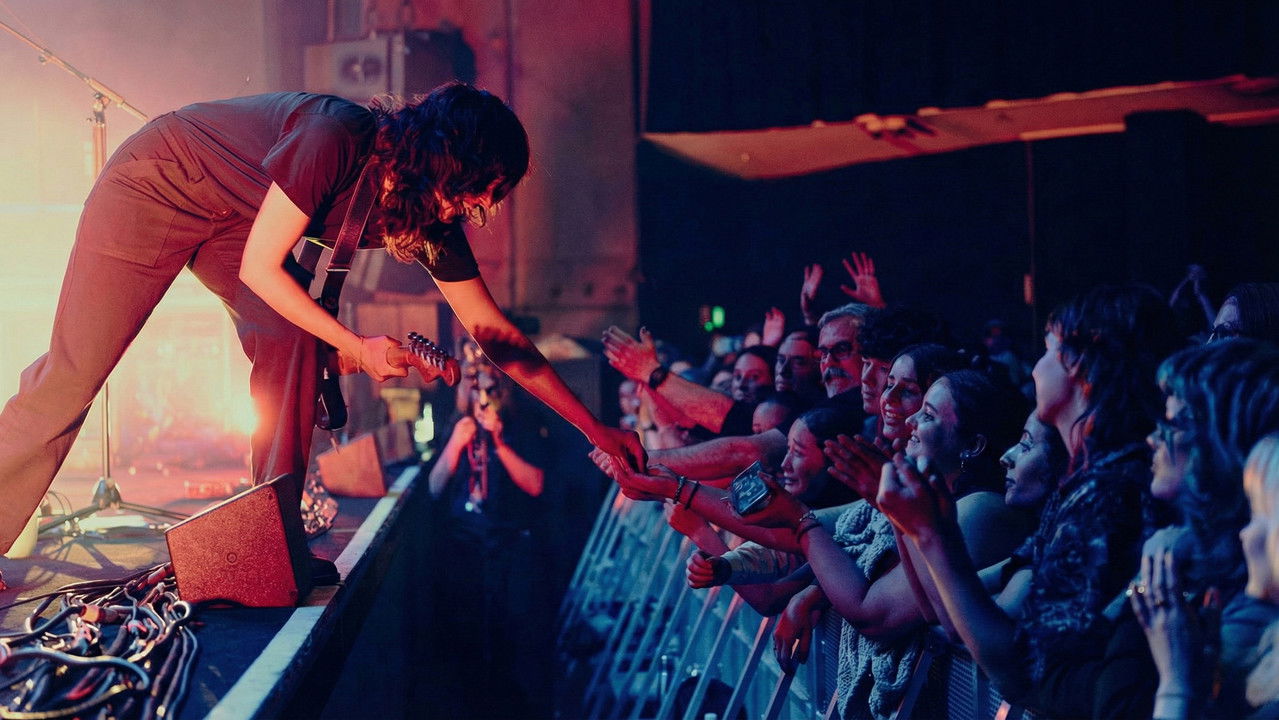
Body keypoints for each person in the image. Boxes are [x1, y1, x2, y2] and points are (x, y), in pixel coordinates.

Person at [0, 82, 641, 554]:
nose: (484, 208)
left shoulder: (429, 217)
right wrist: (356, 348)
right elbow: (262, 268)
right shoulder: (336, 136)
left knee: (291, 342)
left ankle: (269, 541)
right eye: (484, 187)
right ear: (450, 157)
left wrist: (595, 429)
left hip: (235, 219)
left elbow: (496, 336)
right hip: (158, 181)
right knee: (74, 374)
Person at [875, 284, 1181, 715]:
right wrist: (918, 526)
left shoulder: (1113, 492)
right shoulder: (1087, 484)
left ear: (1081, 362)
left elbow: (1020, 667)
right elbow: (956, 618)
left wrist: (930, 532)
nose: (1035, 368)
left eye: (1048, 350)